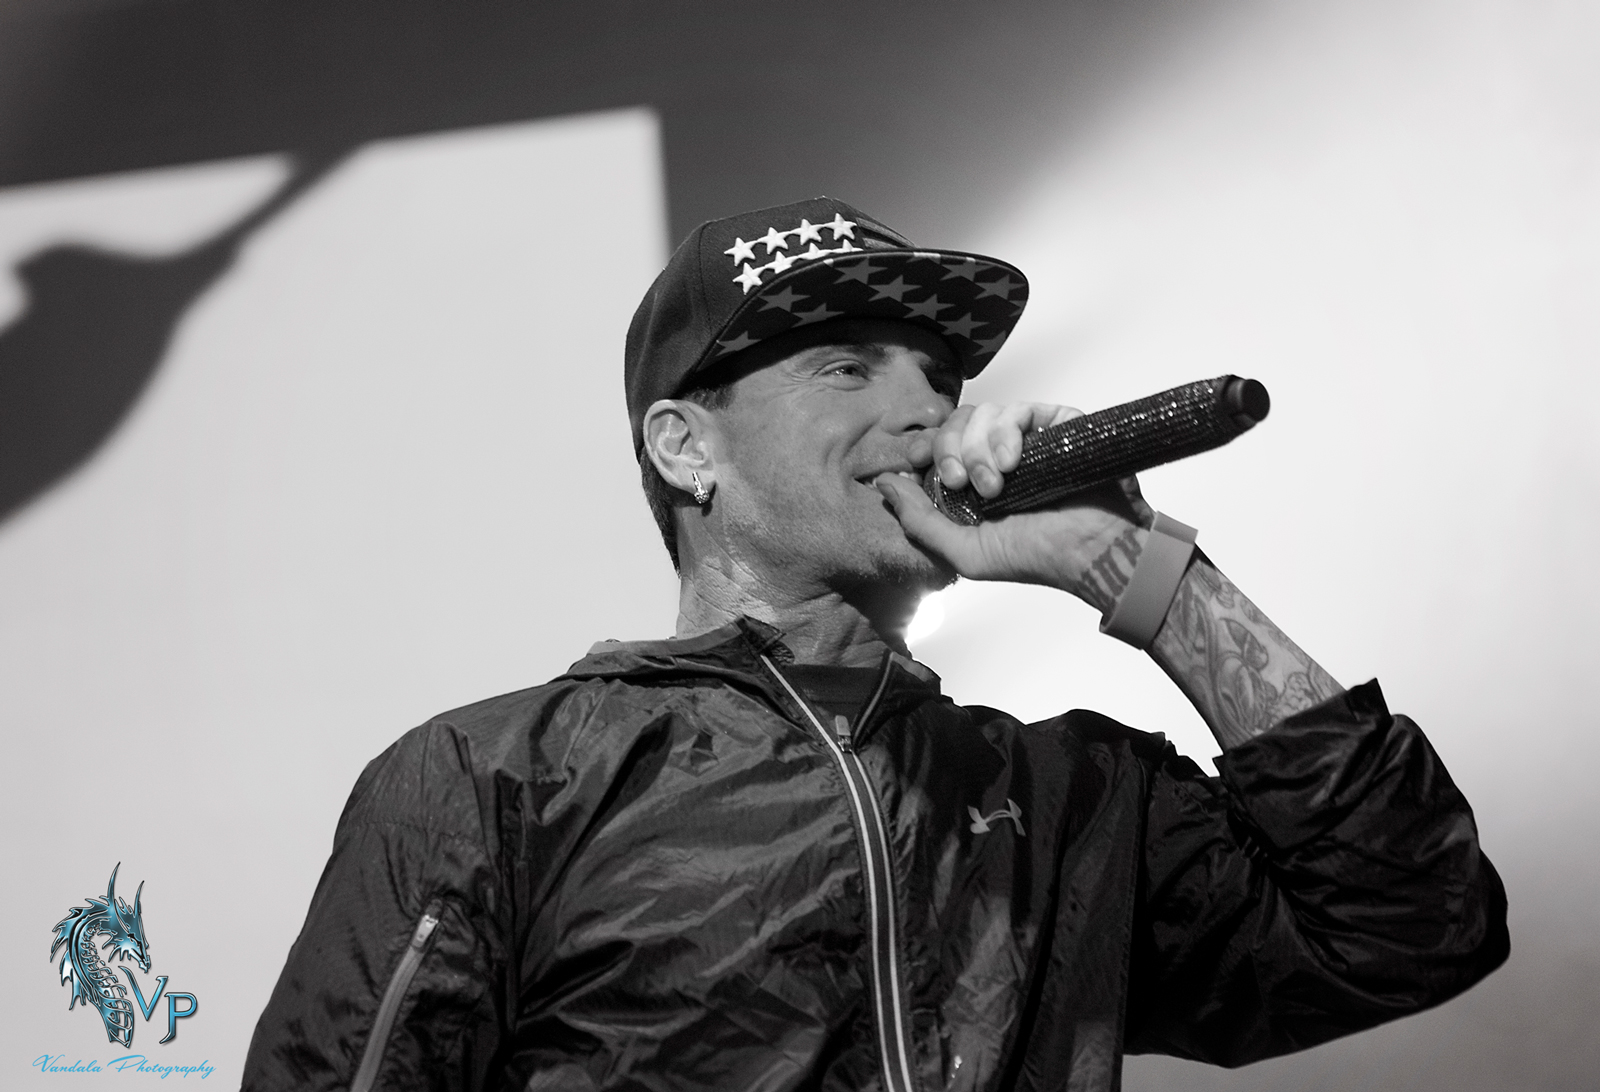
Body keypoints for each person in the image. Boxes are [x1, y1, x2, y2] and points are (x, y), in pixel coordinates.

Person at [242, 197, 1507, 1092]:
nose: (924, 411)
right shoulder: (496, 780)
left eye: (938, 379)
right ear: (686, 448)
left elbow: (1411, 927)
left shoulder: (1069, 798)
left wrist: (1136, 567)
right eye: (845, 370)